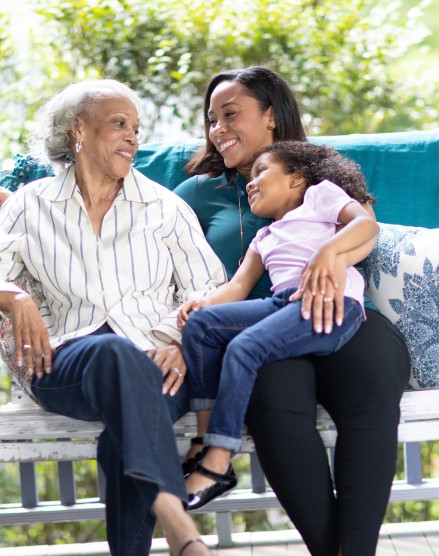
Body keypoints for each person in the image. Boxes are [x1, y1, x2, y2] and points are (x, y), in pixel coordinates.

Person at [0, 78, 220, 556]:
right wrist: (15, 298)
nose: (132, 137)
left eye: (136, 129)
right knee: (113, 352)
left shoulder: (165, 208)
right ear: (79, 129)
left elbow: (210, 289)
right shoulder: (29, 205)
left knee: (132, 417)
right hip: (64, 363)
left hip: (163, 362)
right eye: (119, 124)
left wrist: (178, 342)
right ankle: (178, 523)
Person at [172, 67, 411, 555]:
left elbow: (363, 227)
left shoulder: (316, 174)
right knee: (276, 407)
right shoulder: (198, 193)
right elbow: (131, 231)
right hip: (265, 322)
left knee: (370, 399)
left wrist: (333, 255)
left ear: (272, 118)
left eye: (231, 115)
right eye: (211, 120)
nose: (218, 130)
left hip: (348, 315)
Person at [176, 141, 377, 511]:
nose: (251, 183)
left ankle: (219, 462)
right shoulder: (264, 236)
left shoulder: (320, 196)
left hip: (331, 304)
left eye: (261, 172)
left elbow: (365, 223)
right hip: (283, 303)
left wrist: (327, 251)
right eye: (249, 178)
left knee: (244, 347)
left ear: (297, 177)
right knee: (201, 326)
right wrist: (203, 303)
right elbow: (237, 286)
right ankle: (205, 436)